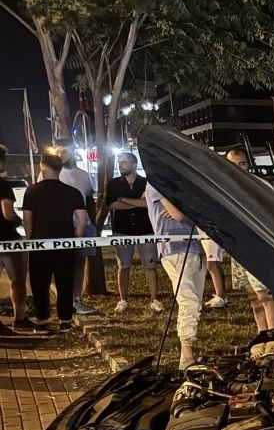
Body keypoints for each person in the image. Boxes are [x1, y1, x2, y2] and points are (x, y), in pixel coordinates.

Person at [22, 153, 88, 331]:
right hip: (65, 245)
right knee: (65, 282)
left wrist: (30, 240)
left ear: (42, 167)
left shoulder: (32, 191)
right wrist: (76, 239)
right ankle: (65, 319)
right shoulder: (72, 192)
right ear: (60, 169)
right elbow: (82, 220)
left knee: (39, 283)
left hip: (39, 245)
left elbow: (27, 219)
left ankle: (42, 320)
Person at [146, 180, 206, 370]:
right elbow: (179, 215)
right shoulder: (158, 184)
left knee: (194, 301)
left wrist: (188, 212)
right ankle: (186, 355)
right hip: (174, 249)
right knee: (189, 300)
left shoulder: (181, 184)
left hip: (194, 246)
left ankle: (187, 353)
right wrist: (189, 212)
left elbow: (200, 213)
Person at [225, 147, 274, 346]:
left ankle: (273, 336)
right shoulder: (224, 188)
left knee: (264, 293)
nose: (238, 168)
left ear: (248, 164)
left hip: (259, 246)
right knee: (252, 295)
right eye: (233, 164)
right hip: (238, 246)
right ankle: (261, 333)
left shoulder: (260, 186)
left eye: (242, 164)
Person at [104, 152, 163, 314]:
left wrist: (124, 199)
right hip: (122, 230)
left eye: (124, 162)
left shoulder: (146, 183)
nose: (120, 165)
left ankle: (154, 299)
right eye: (119, 162)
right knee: (123, 266)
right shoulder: (113, 184)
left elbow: (148, 204)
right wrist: (138, 202)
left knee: (150, 265)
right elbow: (112, 205)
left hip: (145, 229)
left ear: (134, 164)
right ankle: (123, 300)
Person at [58, 145, 99, 315]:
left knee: (80, 262)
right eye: (58, 152)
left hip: (84, 225)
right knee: (64, 264)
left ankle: (77, 299)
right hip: (62, 227)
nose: (61, 155)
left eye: (64, 151)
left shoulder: (83, 175)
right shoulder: (54, 174)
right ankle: (65, 300)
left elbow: (89, 196)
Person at [0, 150, 32, 332]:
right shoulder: (3, 186)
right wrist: (19, 219)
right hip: (7, 239)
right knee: (18, 280)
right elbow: (7, 212)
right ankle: (20, 319)